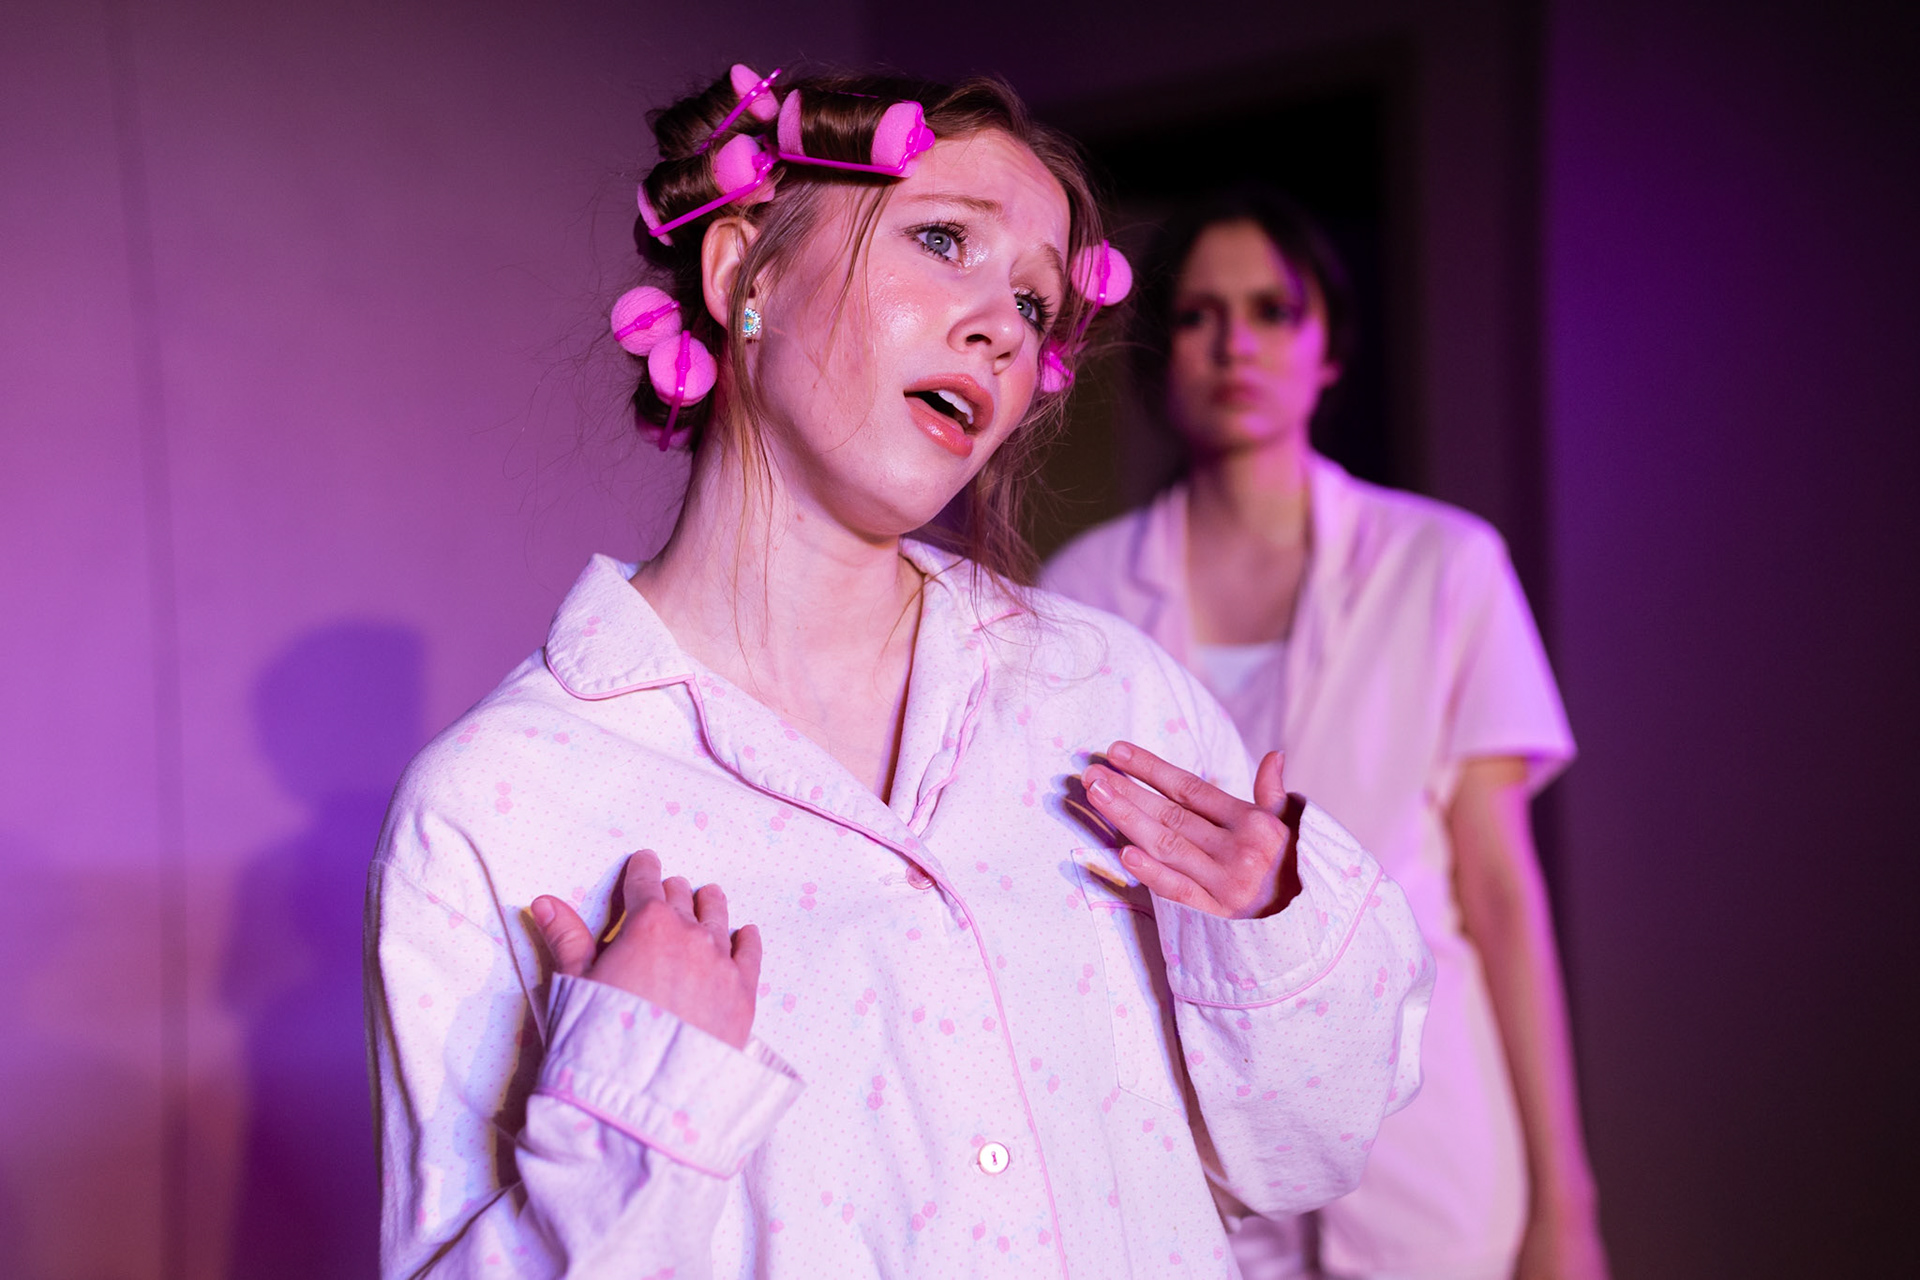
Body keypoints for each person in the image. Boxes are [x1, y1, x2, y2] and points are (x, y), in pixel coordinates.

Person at [366, 69, 1433, 1278]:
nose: (1004, 327)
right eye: (942, 240)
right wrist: (635, 1111)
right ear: (744, 271)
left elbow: (1305, 1153)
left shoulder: (1112, 695)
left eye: (1033, 301)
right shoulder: (500, 804)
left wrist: (1270, 937)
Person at [1043, 188, 1608, 1280]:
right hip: (1190, 1157)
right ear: (1161, 352)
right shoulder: (1081, 594)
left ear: (1328, 347)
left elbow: (1500, 894)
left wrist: (1566, 1200)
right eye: (1200, 314)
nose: (1236, 343)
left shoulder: (1445, 567)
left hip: (1431, 1151)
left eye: (1273, 310)